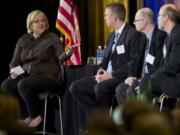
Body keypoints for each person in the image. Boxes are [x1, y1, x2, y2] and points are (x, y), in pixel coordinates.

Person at [69, 2, 142, 128]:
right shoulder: (111, 36)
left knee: (99, 88)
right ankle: (101, 120)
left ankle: (108, 125)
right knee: (75, 87)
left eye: (106, 15)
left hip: (120, 77)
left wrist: (111, 75)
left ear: (114, 17)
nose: (104, 18)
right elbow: (105, 60)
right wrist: (100, 71)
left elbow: (133, 63)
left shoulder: (132, 34)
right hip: (106, 76)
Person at [1, 10, 73, 128]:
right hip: (27, 77)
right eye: (37, 21)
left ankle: (36, 116)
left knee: (24, 84)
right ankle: (23, 117)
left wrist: (67, 53)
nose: (41, 23)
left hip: (49, 77)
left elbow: (61, 55)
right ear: (30, 25)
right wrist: (15, 72)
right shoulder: (23, 40)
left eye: (43, 20)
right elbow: (14, 63)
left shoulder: (52, 37)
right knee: (6, 85)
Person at [115, 8, 167, 105]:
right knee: (120, 89)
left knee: (131, 90)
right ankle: (129, 119)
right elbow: (134, 61)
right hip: (140, 78)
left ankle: (139, 118)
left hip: (153, 79)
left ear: (144, 22)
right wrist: (131, 77)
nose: (134, 23)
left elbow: (158, 65)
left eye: (136, 20)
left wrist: (143, 80)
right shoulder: (142, 38)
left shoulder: (160, 36)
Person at [139, 4, 180, 100]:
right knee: (140, 82)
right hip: (170, 78)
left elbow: (173, 65)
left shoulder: (178, 35)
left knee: (145, 83)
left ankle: (146, 114)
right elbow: (164, 65)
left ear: (166, 18)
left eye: (159, 15)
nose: (157, 18)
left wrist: (153, 76)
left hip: (177, 80)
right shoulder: (169, 36)